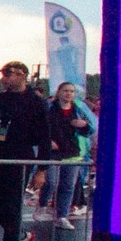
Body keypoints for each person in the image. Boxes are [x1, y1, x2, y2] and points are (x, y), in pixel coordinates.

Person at [0, 61, 50, 241]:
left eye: (8, 74)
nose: (4, 79)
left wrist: (41, 169)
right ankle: (20, 235)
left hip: (21, 155)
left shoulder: (36, 102)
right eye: (2, 75)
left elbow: (45, 135)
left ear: (22, 75)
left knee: (12, 203)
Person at [43, 82, 94, 229]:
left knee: (67, 186)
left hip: (72, 151)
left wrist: (84, 125)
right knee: (50, 182)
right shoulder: (49, 108)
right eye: (65, 90)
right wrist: (47, 141)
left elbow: (91, 128)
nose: (69, 94)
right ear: (58, 92)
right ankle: (43, 204)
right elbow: (39, 127)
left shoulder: (79, 109)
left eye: (72, 91)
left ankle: (62, 216)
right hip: (52, 151)